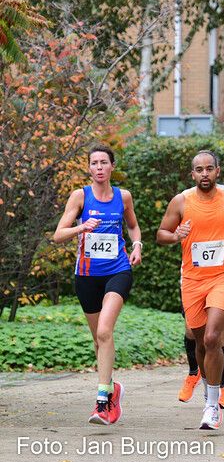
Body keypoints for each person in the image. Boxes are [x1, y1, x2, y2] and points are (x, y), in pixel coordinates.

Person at [156, 150, 224, 430]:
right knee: (200, 342)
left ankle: (212, 405)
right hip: (192, 279)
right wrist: (175, 236)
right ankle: (207, 385)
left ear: (218, 171)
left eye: (209, 169)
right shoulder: (181, 201)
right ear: (192, 174)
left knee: (213, 337)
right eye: (199, 170)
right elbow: (161, 234)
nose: (204, 174)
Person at [53, 144, 142, 426]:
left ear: (112, 167)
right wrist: (81, 227)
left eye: (104, 162)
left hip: (118, 269)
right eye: (94, 163)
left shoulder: (123, 197)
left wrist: (137, 245)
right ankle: (113, 387)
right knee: (98, 339)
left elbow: (133, 226)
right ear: (89, 168)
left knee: (105, 330)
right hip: (87, 275)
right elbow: (58, 235)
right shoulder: (80, 196)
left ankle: (103, 400)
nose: (100, 167)